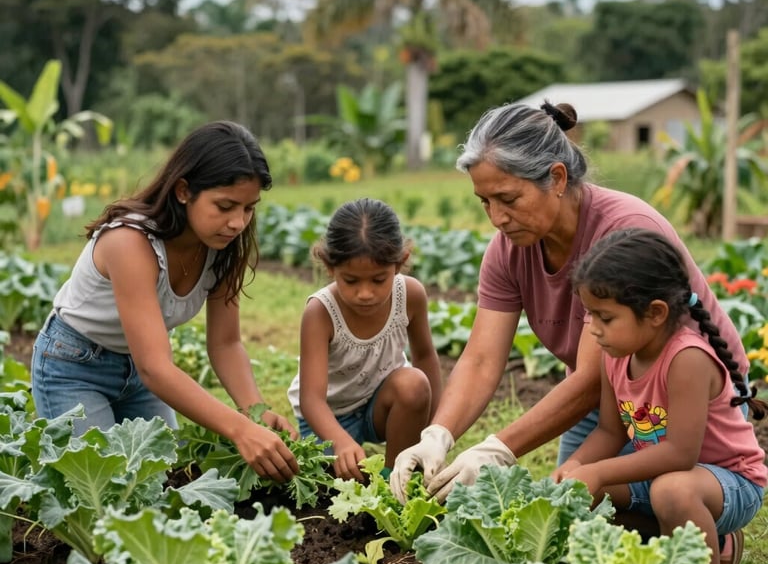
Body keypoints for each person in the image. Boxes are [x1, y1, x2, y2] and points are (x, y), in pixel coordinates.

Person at [390, 100, 751, 510]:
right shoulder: (508, 250)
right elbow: (480, 360)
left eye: (508, 198)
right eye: (484, 202)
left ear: (557, 178)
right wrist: (437, 436)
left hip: (685, 402)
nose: (497, 217)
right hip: (612, 408)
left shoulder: (624, 230)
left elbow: (591, 378)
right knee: (571, 511)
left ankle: (717, 532)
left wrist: (497, 449)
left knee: (666, 499)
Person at [31, 120, 300, 483]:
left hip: (138, 377)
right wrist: (240, 431)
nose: (237, 222)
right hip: (73, 368)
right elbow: (155, 367)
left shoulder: (222, 245)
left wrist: (254, 411)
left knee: (158, 485)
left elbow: (225, 343)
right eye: (225, 206)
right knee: (102, 493)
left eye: (249, 208)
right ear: (183, 190)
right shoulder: (129, 242)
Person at [556, 228, 766, 564]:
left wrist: (599, 471)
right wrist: (576, 468)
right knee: (579, 493)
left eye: (605, 318)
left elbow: (680, 454)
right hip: (659, 478)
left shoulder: (687, 359)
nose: (595, 331)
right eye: (591, 317)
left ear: (654, 313)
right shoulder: (616, 356)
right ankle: (659, 556)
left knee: (673, 491)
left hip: (728, 483)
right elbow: (609, 431)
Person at [287, 197, 442, 481]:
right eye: (351, 281)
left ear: (400, 263)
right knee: (338, 486)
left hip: (380, 406)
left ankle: (394, 476)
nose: (365, 293)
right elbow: (311, 399)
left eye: (378, 280)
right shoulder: (321, 311)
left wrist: (437, 430)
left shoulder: (411, 295)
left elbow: (425, 357)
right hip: (328, 419)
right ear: (330, 267)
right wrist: (340, 441)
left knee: (414, 383)